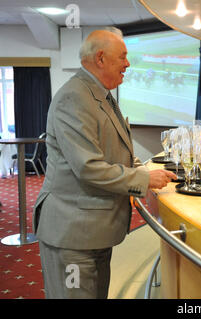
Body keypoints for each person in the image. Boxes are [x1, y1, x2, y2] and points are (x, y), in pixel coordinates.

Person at [33, 27, 177, 299]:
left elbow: (115, 151)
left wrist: (143, 169)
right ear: (100, 59)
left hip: (93, 232)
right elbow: (89, 167)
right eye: (122, 57)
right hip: (72, 234)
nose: (128, 63)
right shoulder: (74, 97)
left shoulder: (99, 93)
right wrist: (144, 180)